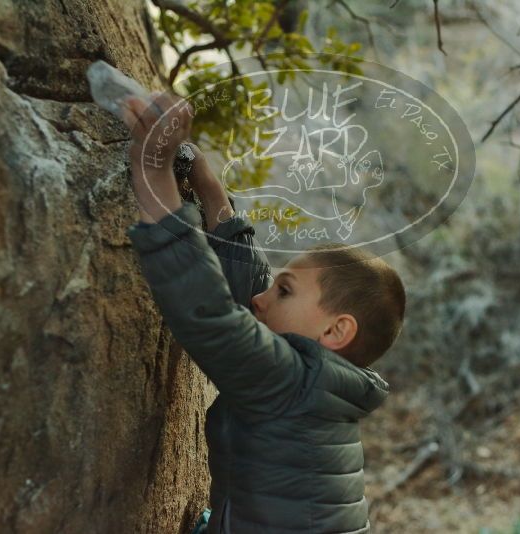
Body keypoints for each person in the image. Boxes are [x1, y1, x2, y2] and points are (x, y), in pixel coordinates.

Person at [121, 92, 406, 533]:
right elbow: (251, 294)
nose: (262, 299)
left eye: (285, 291)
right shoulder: (322, 386)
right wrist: (208, 185)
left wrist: (153, 166)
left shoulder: (291, 380)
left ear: (335, 330)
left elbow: (208, 313)